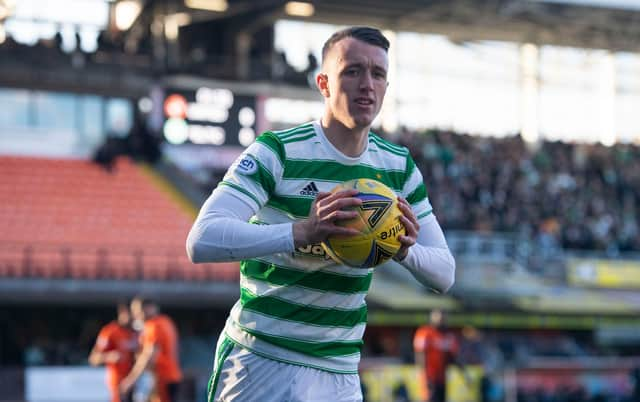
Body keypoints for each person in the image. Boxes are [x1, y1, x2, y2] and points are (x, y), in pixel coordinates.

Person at [186, 26, 456, 401]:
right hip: (261, 358)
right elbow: (202, 240)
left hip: (339, 371)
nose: (367, 84)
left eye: (378, 74)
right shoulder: (277, 152)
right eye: (353, 71)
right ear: (324, 83)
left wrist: (402, 249)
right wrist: (302, 232)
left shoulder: (399, 167)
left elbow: (444, 273)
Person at [120, 297, 182, 402]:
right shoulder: (166, 321)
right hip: (171, 376)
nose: (136, 315)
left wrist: (131, 379)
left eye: (137, 311)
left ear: (148, 308)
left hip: (162, 378)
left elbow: (149, 355)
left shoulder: (153, 326)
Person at [88, 302, 137, 402]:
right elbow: (93, 359)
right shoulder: (110, 331)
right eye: (132, 314)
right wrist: (109, 356)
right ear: (122, 313)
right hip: (118, 381)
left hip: (136, 380)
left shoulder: (138, 331)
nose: (134, 317)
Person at [413, 309, 460, 402]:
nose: (441, 320)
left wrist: (463, 372)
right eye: (438, 317)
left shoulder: (448, 335)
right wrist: (425, 375)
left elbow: (452, 356)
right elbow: (420, 354)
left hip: (442, 376)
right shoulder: (424, 332)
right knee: (430, 398)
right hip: (429, 375)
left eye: (443, 318)